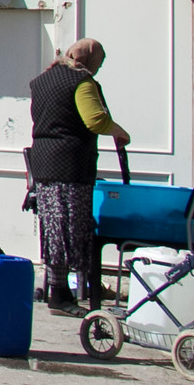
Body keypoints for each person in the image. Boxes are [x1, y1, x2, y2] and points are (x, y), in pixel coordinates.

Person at [28, 37, 130, 313]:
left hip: (43, 163)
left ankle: (60, 292)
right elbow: (94, 119)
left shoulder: (43, 80)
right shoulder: (81, 81)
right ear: (91, 61)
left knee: (54, 230)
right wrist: (119, 131)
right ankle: (61, 296)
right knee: (69, 230)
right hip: (70, 165)